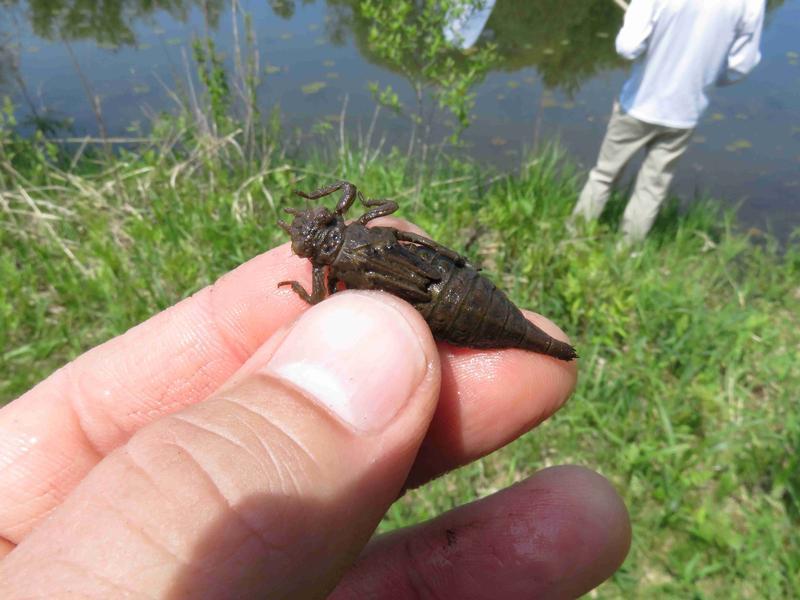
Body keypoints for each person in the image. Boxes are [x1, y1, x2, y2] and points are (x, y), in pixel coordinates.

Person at [0, 222, 630, 597]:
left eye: (319, 231)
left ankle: (541, 342)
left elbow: (317, 300)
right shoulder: (356, 243)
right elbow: (335, 269)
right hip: (458, 294)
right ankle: (541, 341)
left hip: (457, 297)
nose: (315, 235)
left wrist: (316, 286)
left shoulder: (344, 260)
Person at [572, 0, 766, 242]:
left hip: (638, 105)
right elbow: (740, 66)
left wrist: (635, 20)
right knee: (652, 190)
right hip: (685, 114)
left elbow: (628, 47)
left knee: (604, 176)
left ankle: (575, 240)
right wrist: (705, 77)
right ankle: (627, 255)